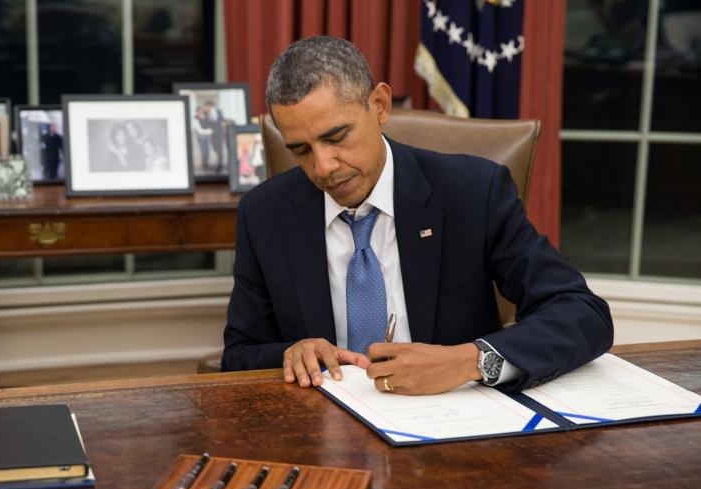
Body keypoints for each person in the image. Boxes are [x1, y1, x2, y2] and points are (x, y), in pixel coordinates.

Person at [221, 36, 613, 396]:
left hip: (454, 419)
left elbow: (583, 314)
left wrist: (469, 361)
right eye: (301, 150)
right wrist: (292, 353)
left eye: (336, 138)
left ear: (380, 106)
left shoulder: (473, 192)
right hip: (325, 426)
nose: (323, 167)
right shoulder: (264, 213)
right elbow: (238, 356)